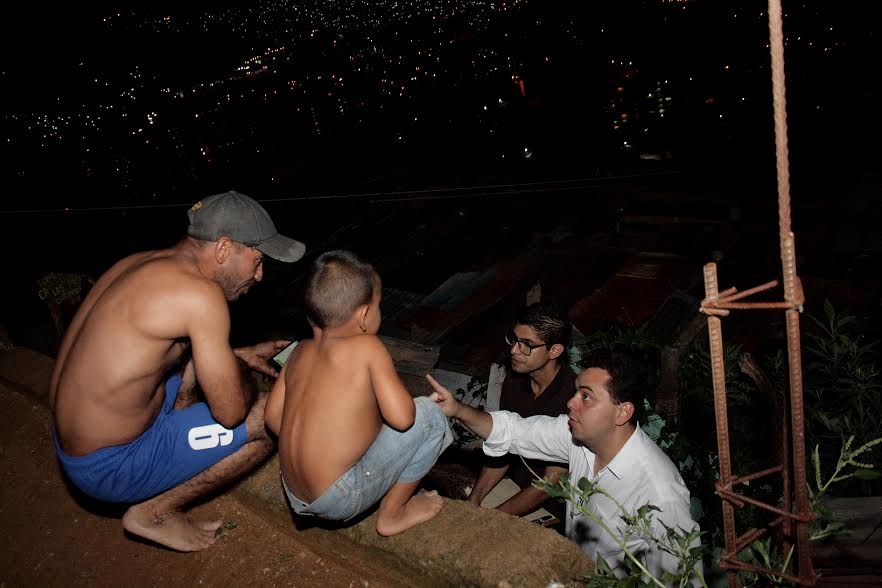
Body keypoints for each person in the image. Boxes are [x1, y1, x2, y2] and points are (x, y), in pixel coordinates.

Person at [49, 190, 306, 552]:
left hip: (72, 439)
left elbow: (147, 349)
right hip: (108, 466)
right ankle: (154, 513)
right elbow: (232, 412)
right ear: (223, 249)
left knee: (186, 360)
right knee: (268, 415)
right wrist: (237, 369)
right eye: (258, 260)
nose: (260, 275)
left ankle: (177, 438)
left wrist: (236, 353)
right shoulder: (201, 296)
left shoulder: (137, 262)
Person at [428, 349, 701, 580]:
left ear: (622, 412)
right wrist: (458, 409)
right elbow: (515, 431)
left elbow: (679, 580)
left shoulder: (660, 493)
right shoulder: (577, 439)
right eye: (575, 393)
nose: (571, 403)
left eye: (586, 396)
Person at [265, 250, 452, 536]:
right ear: (364, 315)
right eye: (379, 306)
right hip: (342, 497)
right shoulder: (368, 347)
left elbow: (273, 419)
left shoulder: (299, 350)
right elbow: (403, 419)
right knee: (430, 416)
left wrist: (332, 440)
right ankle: (393, 515)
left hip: (295, 493)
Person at [468, 302, 575, 518]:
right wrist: (473, 502)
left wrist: (493, 519)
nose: (514, 350)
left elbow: (550, 483)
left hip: (555, 504)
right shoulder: (515, 382)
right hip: (515, 484)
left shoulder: (573, 398)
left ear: (554, 350)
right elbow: (503, 442)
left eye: (527, 344)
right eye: (514, 340)